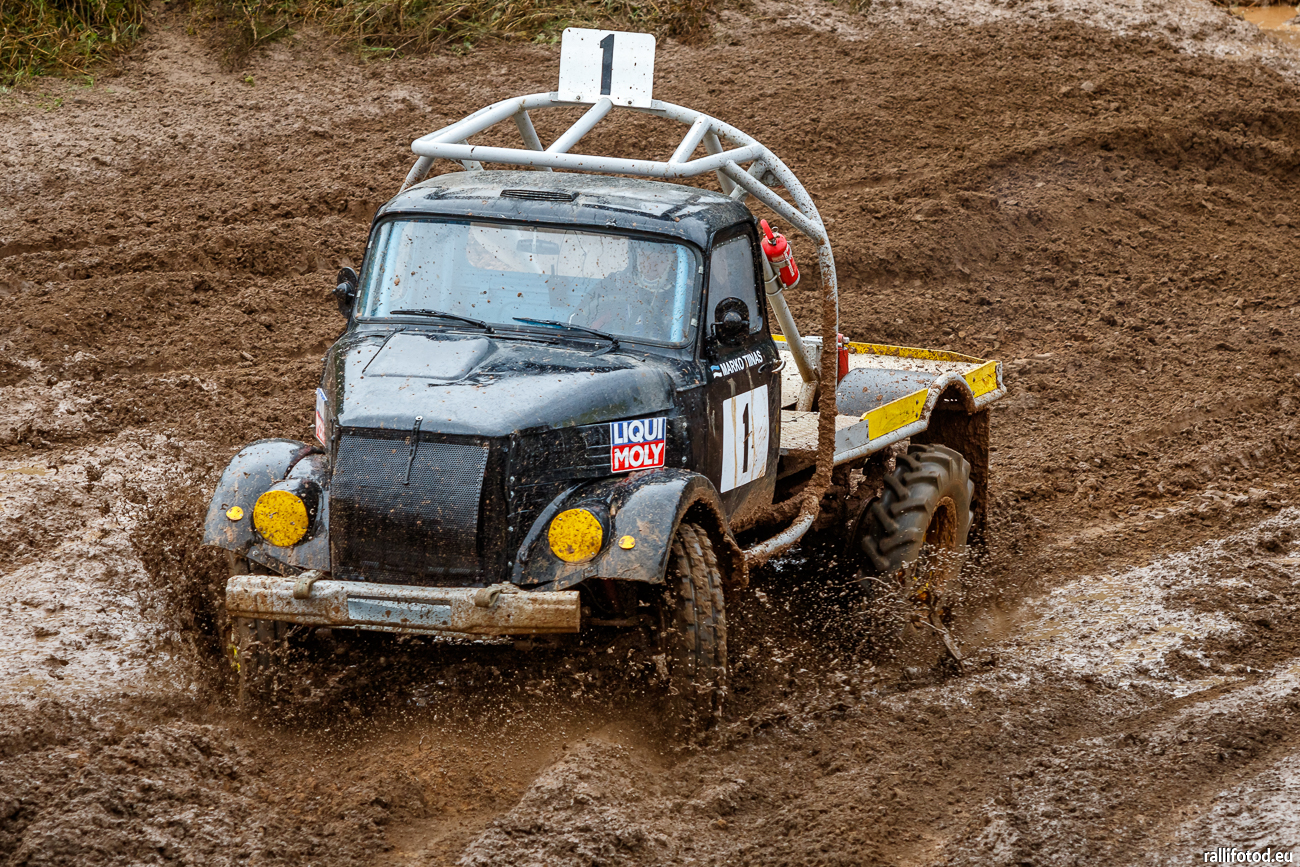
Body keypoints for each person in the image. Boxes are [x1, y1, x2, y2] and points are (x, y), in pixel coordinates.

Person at [582, 241, 680, 339]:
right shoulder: (615, 282)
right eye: (645, 257)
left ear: (671, 263)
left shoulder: (680, 293)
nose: (651, 265)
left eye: (661, 259)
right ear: (636, 258)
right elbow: (580, 318)